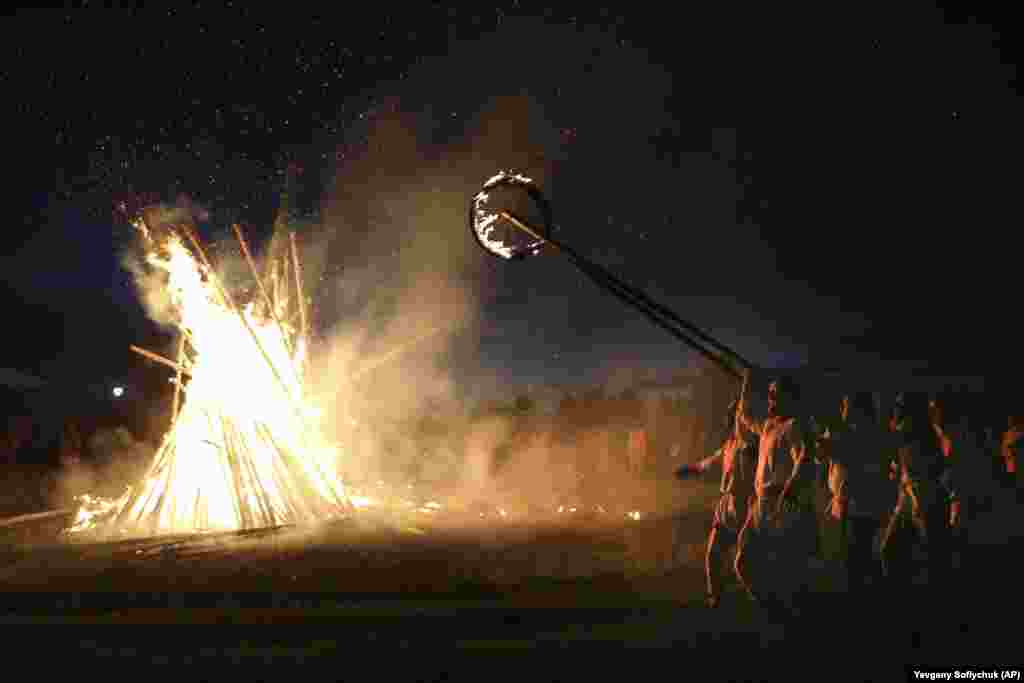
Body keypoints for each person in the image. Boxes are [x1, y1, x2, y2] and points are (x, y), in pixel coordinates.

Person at [733, 371, 817, 617]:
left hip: (782, 505)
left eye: (773, 395)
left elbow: (804, 459)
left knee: (787, 569)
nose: (768, 399)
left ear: (786, 397)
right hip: (762, 504)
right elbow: (745, 415)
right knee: (743, 560)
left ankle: (789, 615)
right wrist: (747, 384)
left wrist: (788, 492)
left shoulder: (794, 426)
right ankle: (775, 610)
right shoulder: (770, 426)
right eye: (768, 394)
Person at [676, 398, 758, 608]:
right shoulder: (729, 446)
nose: (732, 421)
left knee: (746, 560)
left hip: (748, 507)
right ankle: (716, 597)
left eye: (736, 417)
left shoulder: (751, 445)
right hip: (728, 506)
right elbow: (710, 463)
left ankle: (758, 597)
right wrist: (692, 469)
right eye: (732, 417)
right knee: (713, 553)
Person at [816, 392, 896, 598]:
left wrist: (826, 436)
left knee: (856, 561)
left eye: (846, 406)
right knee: (851, 560)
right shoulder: (847, 433)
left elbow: (840, 454)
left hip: (860, 509)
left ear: (858, 409)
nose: (843, 409)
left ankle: (861, 600)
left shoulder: (865, 435)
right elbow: (822, 455)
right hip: (849, 507)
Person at [879, 392, 952, 596]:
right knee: (892, 550)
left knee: (930, 557)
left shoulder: (919, 432)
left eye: (900, 407)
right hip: (911, 497)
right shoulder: (916, 432)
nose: (897, 411)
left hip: (923, 497)